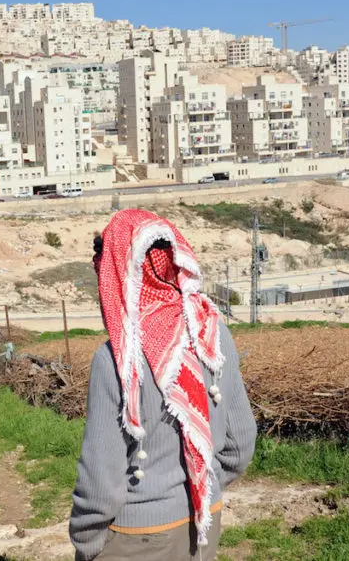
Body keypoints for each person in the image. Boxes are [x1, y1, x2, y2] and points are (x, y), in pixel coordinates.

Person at [70, 209, 257, 560]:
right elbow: (241, 442)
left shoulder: (116, 359)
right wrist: (204, 488)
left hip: (137, 536)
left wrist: (87, 542)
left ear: (115, 272)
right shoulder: (212, 334)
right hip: (205, 521)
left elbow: (101, 482)